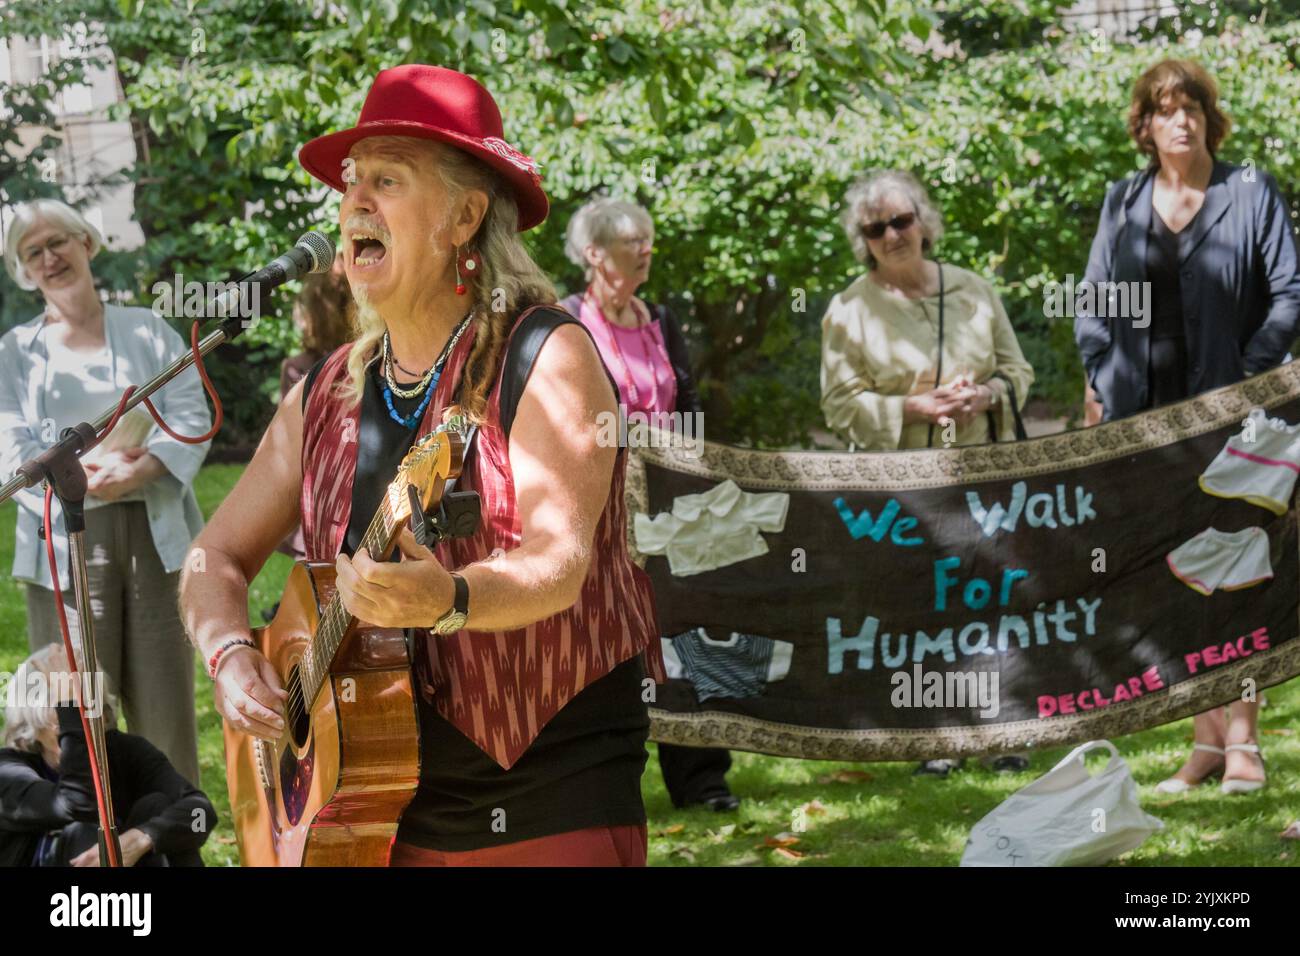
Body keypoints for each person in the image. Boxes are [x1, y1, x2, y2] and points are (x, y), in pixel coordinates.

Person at [179, 64, 664, 866]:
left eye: (388, 180)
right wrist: (230, 655)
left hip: (539, 801)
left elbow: (560, 563)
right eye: (351, 183)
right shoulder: (328, 389)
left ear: (465, 216)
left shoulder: (547, 355)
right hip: (364, 814)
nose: (354, 203)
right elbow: (213, 556)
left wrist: (451, 600)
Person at [1075, 60, 1300, 796]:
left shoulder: (1249, 191)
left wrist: (1248, 377)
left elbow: (1289, 294)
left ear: (1208, 116)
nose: (1181, 121)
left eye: (1192, 107)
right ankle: (1204, 745)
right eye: (1165, 110)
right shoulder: (1124, 200)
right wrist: (1105, 381)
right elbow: (1095, 304)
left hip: (1234, 412)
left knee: (1235, 568)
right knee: (1178, 578)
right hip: (1147, 422)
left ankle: (1245, 745)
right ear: (1145, 124)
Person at [820, 169, 1035, 776]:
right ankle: (938, 739)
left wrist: (986, 395)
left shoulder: (973, 289)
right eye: (876, 228)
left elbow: (1018, 372)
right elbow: (838, 406)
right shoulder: (847, 311)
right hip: (903, 490)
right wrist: (914, 407)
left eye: (901, 220)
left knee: (989, 598)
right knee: (922, 610)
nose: (892, 234)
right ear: (863, 239)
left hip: (980, 476)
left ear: (923, 222)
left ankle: (1002, 730)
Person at [0, 198, 211, 786]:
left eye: (58, 241)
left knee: (164, 708)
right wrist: (82, 482)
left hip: (151, 534)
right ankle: (88, 840)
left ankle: (169, 833)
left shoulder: (146, 328)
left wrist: (145, 469)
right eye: (32, 251)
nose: (50, 257)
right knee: (74, 710)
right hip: (64, 545)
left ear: (86, 243)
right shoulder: (14, 353)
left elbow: (191, 411)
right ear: (23, 269)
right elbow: (9, 451)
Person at [560, 197, 738, 812]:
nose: (646, 250)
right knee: (609, 638)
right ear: (593, 253)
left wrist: (693, 471)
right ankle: (608, 782)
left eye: (648, 239)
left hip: (672, 505)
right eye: (632, 239)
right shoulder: (567, 321)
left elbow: (686, 403)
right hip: (600, 506)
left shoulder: (659, 318)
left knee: (689, 634)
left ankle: (704, 781)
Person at [0, 645, 216, 867]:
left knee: (157, 808)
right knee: (91, 829)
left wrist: (145, 837)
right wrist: (70, 707)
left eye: (88, 713)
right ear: (31, 722)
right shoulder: (8, 773)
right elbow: (79, 803)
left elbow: (201, 814)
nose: (75, 732)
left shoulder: (124, 750)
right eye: (63, 721)